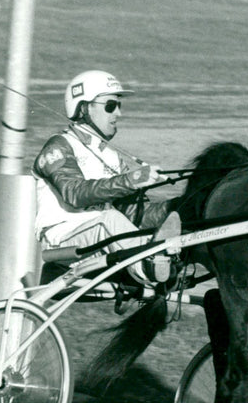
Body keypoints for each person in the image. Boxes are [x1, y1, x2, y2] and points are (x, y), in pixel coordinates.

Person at [33, 70, 180, 285]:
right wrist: (131, 180)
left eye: (119, 106)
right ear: (84, 108)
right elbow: (75, 193)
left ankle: (162, 263)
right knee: (108, 221)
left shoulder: (112, 157)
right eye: (110, 106)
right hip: (64, 243)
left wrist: (174, 209)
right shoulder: (58, 147)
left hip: (102, 240)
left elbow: (133, 215)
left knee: (117, 220)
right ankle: (151, 267)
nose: (118, 113)